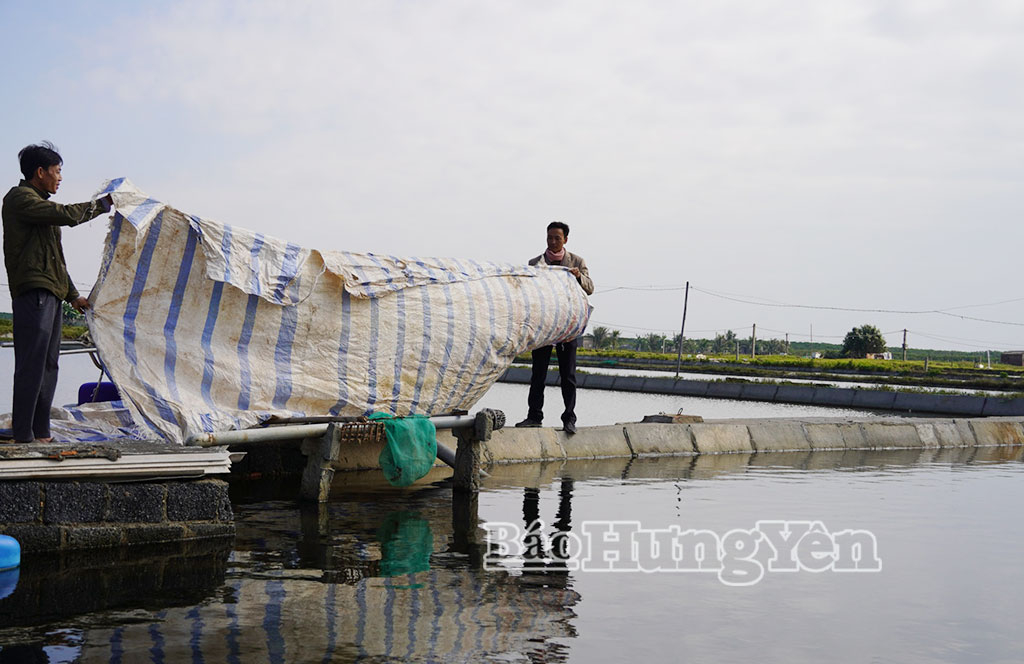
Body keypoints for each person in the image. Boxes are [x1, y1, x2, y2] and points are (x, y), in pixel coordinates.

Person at [2, 142, 110, 443]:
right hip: (34, 292)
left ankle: (42, 432)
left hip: (50, 292)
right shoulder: (21, 198)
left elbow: (56, 260)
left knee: (49, 365)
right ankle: (24, 435)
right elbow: (66, 214)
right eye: (57, 171)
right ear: (40, 172)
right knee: (32, 365)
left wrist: (74, 295)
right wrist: (101, 206)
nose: (60, 178)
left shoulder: (41, 208)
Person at [515, 221, 594, 435]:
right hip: (544, 328)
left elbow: (590, 288)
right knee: (538, 374)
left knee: (568, 376)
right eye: (549, 237)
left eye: (557, 238)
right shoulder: (536, 263)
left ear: (565, 240)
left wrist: (578, 276)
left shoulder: (576, 262)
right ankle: (534, 416)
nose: (552, 241)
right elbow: (527, 291)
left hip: (567, 330)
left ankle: (569, 418)